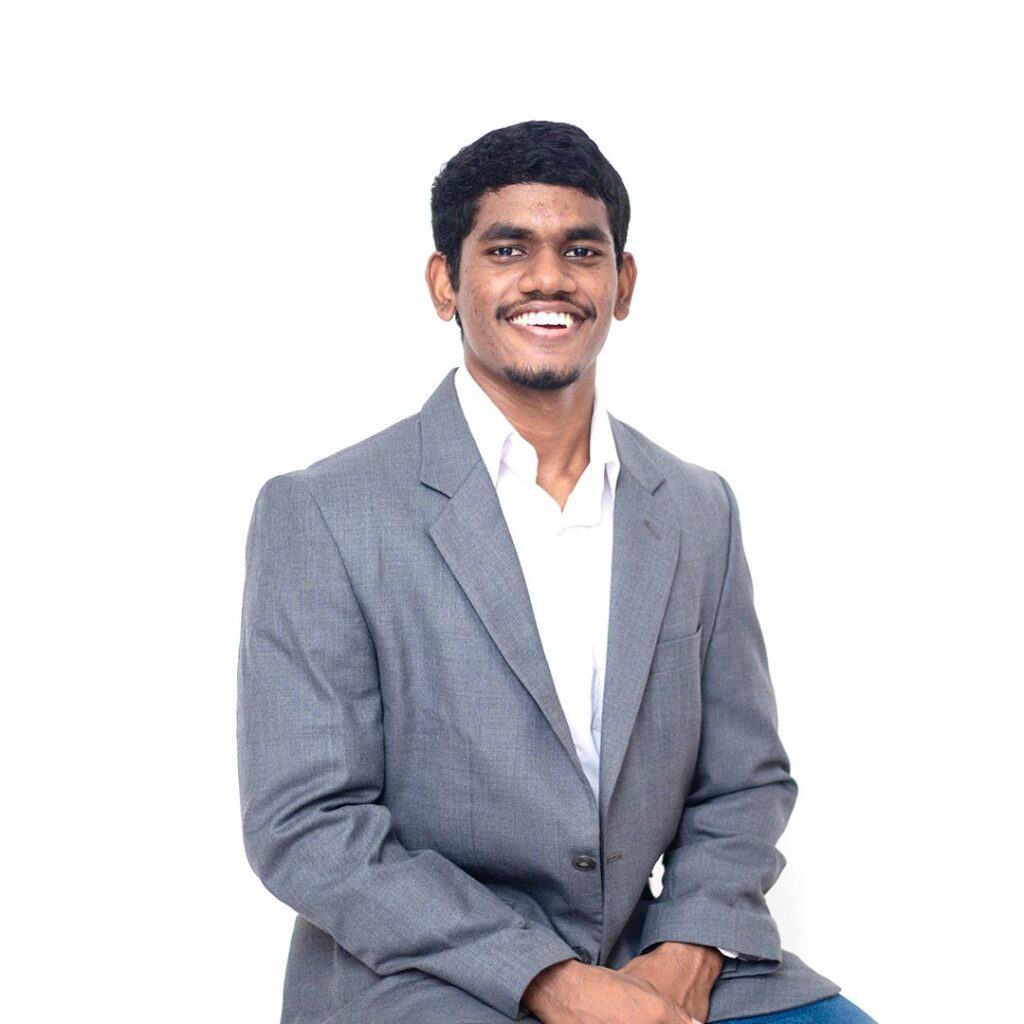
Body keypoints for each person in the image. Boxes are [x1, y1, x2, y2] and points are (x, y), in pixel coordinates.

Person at [237, 121, 876, 1024]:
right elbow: (306, 826)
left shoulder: (697, 508)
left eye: (582, 250)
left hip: (650, 955)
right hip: (427, 976)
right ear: (444, 283)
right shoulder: (325, 511)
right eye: (507, 250)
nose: (549, 278)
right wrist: (555, 983)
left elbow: (744, 781)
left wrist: (685, 955)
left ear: (623, 284)